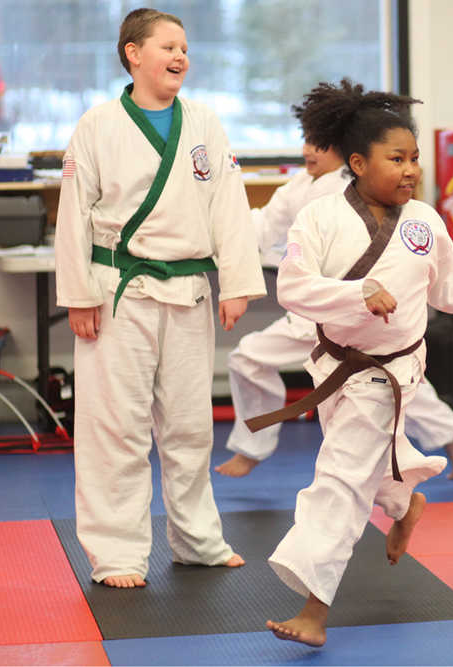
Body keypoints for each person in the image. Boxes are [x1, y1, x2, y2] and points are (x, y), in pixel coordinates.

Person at [256, 78, 453, 647]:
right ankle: (406, 503)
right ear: (358, 163)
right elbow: (293, 288)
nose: (410, 170)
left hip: (389, 376)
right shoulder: (319, 218)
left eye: (415, 159)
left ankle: (314, 609)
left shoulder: (423, 222)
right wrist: (357, 294)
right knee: (361, 462)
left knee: (338, 481)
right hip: (333, 367)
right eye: (396, 158)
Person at [54, 8, 266, 588]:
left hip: (190, 291)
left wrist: (237, 281)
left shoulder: (204, 123)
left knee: (191, 426)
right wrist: (77, 295)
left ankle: (198, 541)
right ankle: (118, 554)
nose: (180, 57)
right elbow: (73, 216)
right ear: (133, 53)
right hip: (119, 291)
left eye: (185, 48)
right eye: (168, 47)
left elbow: (229, 205)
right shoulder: (97, 125)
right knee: (114, 428)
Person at [217, 131, 453, 480]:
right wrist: (218, 235)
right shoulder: (299, 187)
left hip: (356, 313)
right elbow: (260, 226)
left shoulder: (355, 192)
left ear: (348, 155)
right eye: (304, 141)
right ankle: (252, 448)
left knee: (393, 376)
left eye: (318, 144)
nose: (308, 151)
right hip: (313, 309)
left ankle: (450, 430)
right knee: (248, 359)